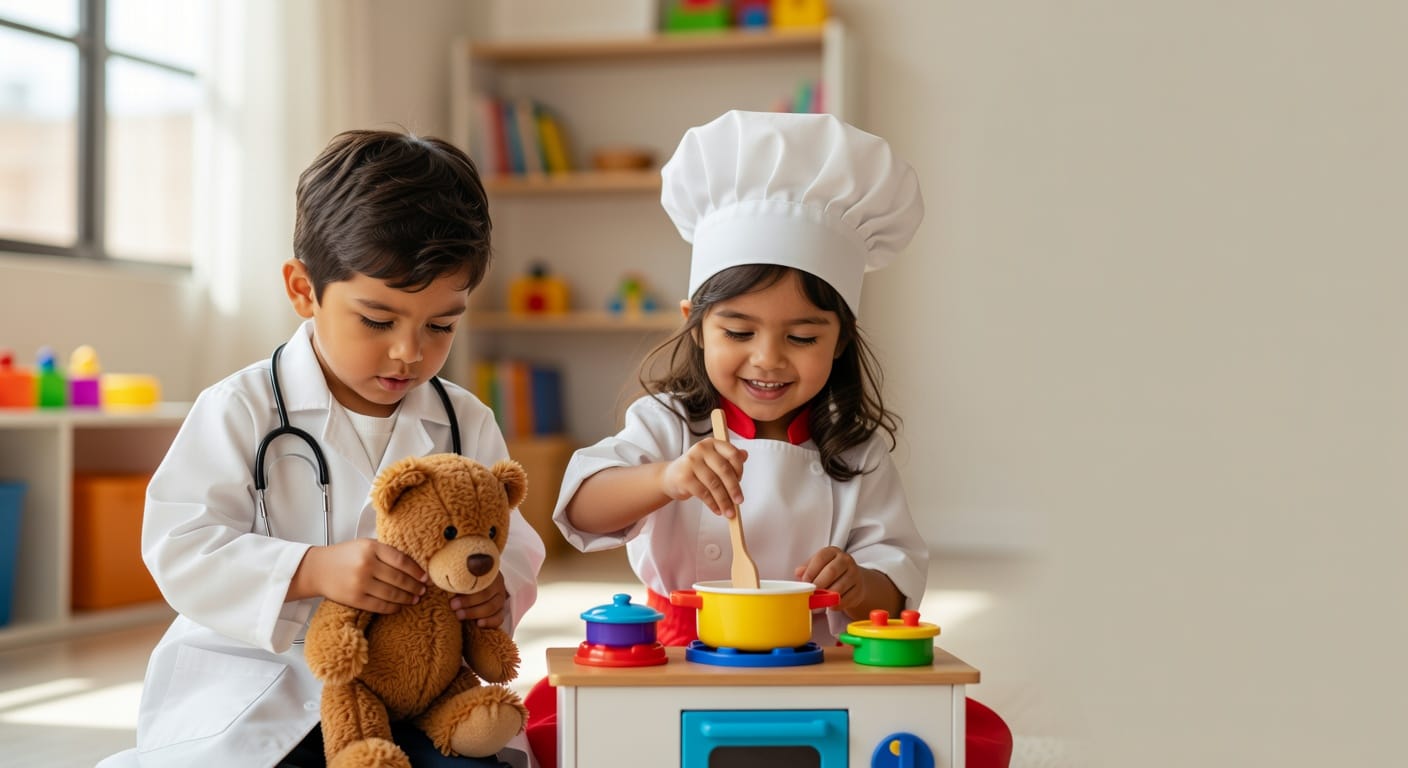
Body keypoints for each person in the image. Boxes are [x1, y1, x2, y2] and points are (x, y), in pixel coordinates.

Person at [540, 110, 1011, 768]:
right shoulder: (667, 422)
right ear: (695, 326)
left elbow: (897, 582)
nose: (768, 359)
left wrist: (858, 584)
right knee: (553, 724)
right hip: (675, 655)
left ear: (841, 339)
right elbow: (582, 507)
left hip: (815, 657)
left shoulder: (854, 450)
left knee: (970, 734)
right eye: (738, 332)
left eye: (802, 336)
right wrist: (665, 479)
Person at [125, 130, 545, 768]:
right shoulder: (241, 409)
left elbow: (509, 543)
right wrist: (309, 570)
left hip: (416, 689)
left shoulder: (465, 421)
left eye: (441, 325)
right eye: (378, 321)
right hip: (259, 684)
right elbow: (180, 544)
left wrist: (493, 594)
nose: (410, 351)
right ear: (303, 289)